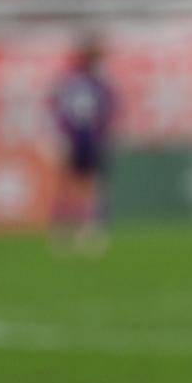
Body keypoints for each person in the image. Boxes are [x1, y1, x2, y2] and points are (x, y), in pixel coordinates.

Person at [49, 35, 115, 256]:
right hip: (87, 139)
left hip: (76, 139)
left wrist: (60, 135)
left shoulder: (70, 82)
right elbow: (107, 112)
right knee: (86, 186)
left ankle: (70, 229)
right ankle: (85, 229)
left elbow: (57, 110)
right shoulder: (96, 84)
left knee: (74, 185)